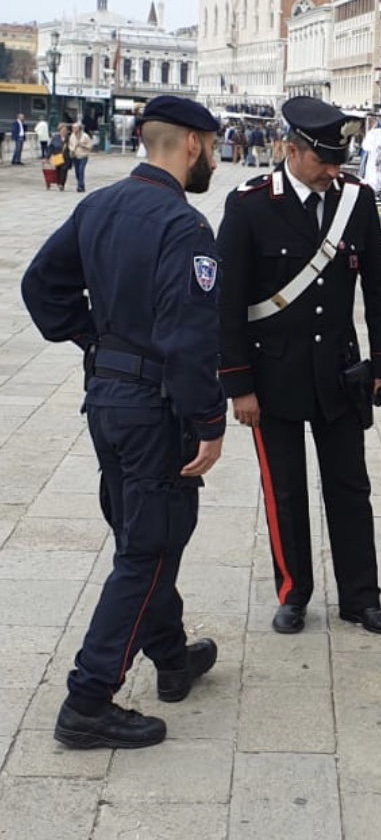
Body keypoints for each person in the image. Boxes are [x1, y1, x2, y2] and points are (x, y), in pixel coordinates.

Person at [21, 95, 227, 750]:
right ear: (191, 143)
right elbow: (187, 335)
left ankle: (170, 655)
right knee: (150, 546)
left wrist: (91, 338)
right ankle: (88, 698)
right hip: (154, 411)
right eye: (214, 148)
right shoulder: (183, 226)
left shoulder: (99, 205)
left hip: (107, 402)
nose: (215, 160)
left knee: (144, 532)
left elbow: (39, 285)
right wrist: (208, 419)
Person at [216, 95, 381, 638]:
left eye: (337, 160)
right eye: (322, 160)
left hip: (339, 373)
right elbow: (227, 304)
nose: (332, 171)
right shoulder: (250, 204)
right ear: (291, 150)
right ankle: (293, 592)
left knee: (351, 486)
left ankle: (361, 598)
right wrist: (238, 386)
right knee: (287, 490)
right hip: (272, 374)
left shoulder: (356, 201)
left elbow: (377, 289)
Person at [69, 122, 94, 192]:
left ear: (79, 128)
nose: (73, 129)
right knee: (77, 171)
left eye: (75, 128)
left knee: (81, 170)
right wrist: (72, 150)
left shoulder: (85, 136)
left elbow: (90, 146)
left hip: (83, 156)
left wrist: (82, 145)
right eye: (73, 128)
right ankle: (80, 184)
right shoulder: (72, 136)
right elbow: (70, 145)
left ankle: (80, 186)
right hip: (75, 155)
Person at [46, 124, 72, 191]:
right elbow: (50, 148)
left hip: (66, 157)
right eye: (62, 130)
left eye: (65, 130)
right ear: (59, 131)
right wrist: (47, 157)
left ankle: (62, 184)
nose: (64, 132)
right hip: (57, 156)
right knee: (58, 170)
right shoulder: (55, 138)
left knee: (64, 170)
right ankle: (58, 182)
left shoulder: (69, 138)